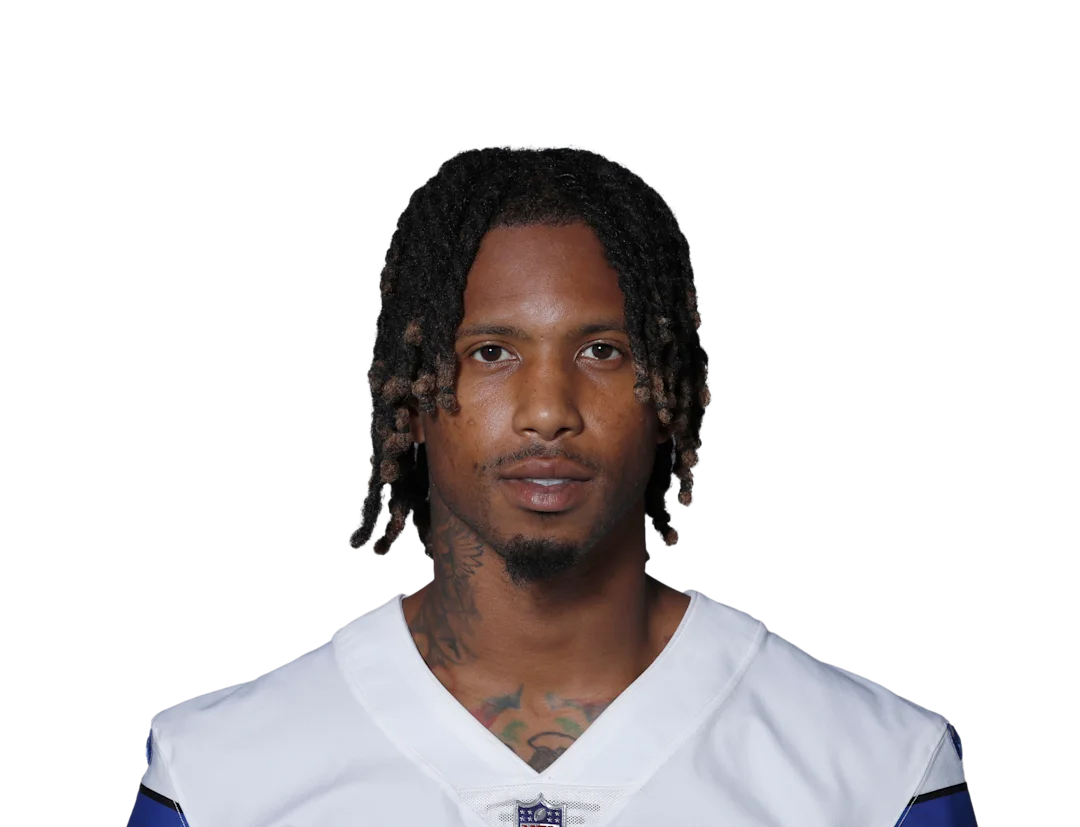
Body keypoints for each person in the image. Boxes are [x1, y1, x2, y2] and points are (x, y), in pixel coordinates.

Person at [129, 144, 975, 826]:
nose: (547, 411)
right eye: (491, 352)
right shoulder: (218, 779)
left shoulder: (876, 773)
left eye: (602, 351)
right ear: (409, 393)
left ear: (670, 391)